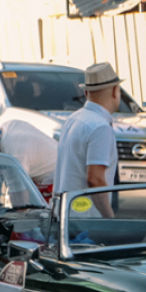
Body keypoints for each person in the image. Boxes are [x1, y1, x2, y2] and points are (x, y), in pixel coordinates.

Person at [54, 62, 122, 218]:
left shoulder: (73, 119)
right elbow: (95, 179)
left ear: (86, 93)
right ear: (114, 91)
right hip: (87, 221)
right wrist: (109, 219)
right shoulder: (100, 127)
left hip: (64, 216)